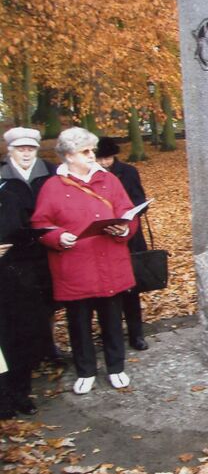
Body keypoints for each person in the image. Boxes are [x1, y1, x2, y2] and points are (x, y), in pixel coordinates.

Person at [31, 127, 139, 394]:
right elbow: (40, 224)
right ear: (69, 155)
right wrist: (58, 237)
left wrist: (125, 228)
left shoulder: (110, 181)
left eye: (93, 150)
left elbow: (128, 212)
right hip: (74, 265)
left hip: (109, 261)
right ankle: (86, 370)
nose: (93, 156)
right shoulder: (52, 187)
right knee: (78, 322)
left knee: (113, 319)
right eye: (86, 151)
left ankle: (116, 367)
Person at [1, 127, 61, 359]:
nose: (26, 153)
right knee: (19, 301)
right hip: (12, 251)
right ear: (10, 151)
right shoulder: (2, 174)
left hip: (46, 244)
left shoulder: (52, 171)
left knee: (49, 299)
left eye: (30, 148)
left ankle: (50, 345)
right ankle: (25, 350)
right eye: (20, 149)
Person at [0, 180, 51, 418]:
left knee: (21, 337)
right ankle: (3, 399)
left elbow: (22, 230)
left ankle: (21, 393)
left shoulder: (10, 195)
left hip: (17, 280)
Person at [95, 137, 149, 350]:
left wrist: (127, 214)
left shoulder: (128, 172)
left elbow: (140, 201)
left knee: (131, 290)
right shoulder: (92, 176)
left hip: (129, 235)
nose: (103, 163)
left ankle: (137, 334)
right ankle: (109, 332)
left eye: (107, 158)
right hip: (102, 236)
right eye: (99, 158)